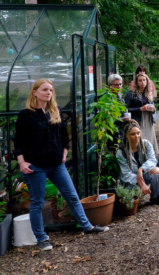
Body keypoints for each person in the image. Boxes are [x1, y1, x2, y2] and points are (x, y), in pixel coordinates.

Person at [14, 78, 109, 251]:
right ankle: (41, 238)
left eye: (50, 90)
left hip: (57, 164)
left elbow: (65, 137)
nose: (48, 93)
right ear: (34, 92)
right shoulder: (25, 115)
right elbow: (18, 142)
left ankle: (87, 227)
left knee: (72, 196)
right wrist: (21, 162)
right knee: (37, 202)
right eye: (44, 90)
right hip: (36, 166)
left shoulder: (55, 110)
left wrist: (64, 153)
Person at [116, 121, 159, 206]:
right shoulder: (121, 152)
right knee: (130, 199)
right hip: (130, 182)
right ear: (127, 135)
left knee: (157, 171)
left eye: (138, 133)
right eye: (133, 134)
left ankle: (155, 197)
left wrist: (141, 169)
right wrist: (141, 184)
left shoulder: (146, 144)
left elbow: (153, 160)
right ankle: (137, 194)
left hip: (143, 175)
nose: (137, 136)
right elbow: (125, 175)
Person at [124, 71, 159, 155]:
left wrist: (153, 109)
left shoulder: (148, 93)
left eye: (144, 80)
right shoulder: (130, 94)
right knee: (139, 140)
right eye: (140, 80)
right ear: (136, 82)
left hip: (148, 120)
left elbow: (153, 108)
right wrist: (140, 109)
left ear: (147, 82)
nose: (142, 82)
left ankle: (150, 159)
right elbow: (125, 110)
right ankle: (139, 159)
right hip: (137, 120)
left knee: (149, 141)